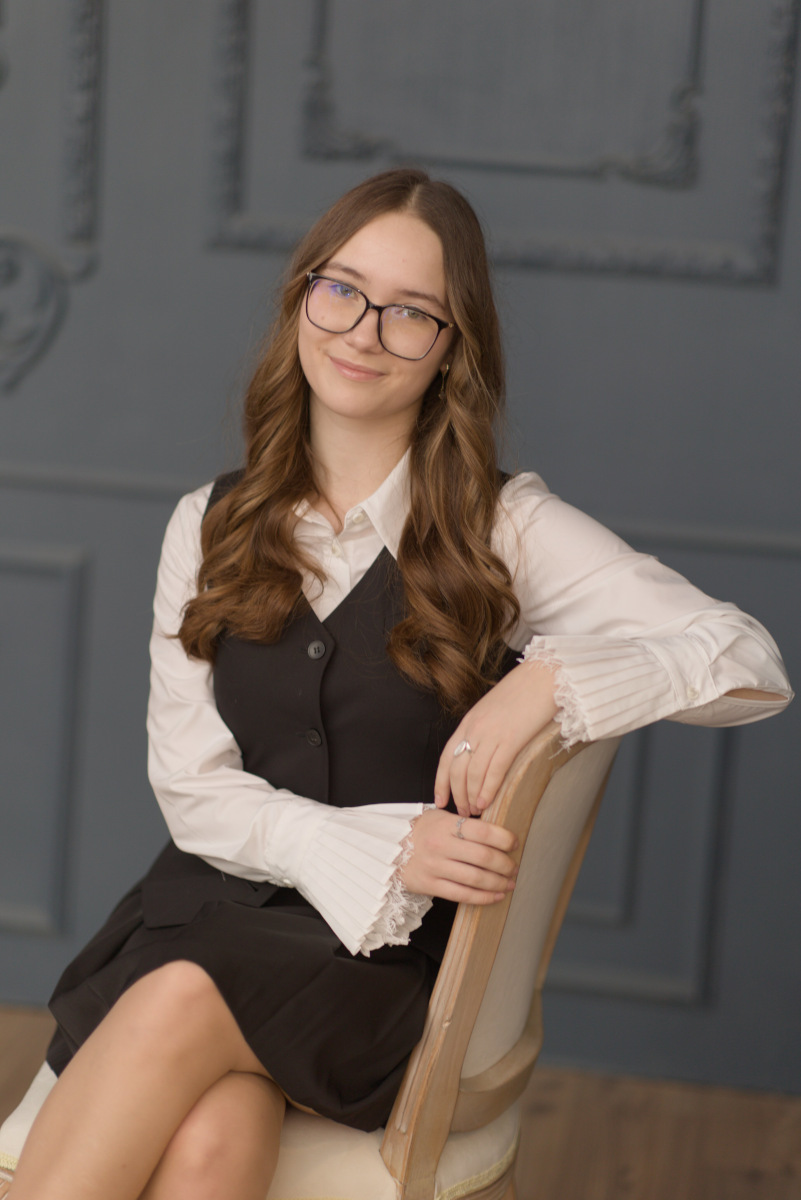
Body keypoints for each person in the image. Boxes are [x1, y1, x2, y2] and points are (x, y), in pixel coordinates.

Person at [6, 168, 791, 1200]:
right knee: (207, 1137)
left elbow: (746, 658)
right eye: (343, 290)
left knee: (183, 1000)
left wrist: (548, 682)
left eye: (411, 312)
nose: (364, 332)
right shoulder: (208, 522)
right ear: (303, 297)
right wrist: (376, 845)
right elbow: (192, 790)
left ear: (453, 347)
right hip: (196, 917)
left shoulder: (505, 529)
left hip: (373, 964)